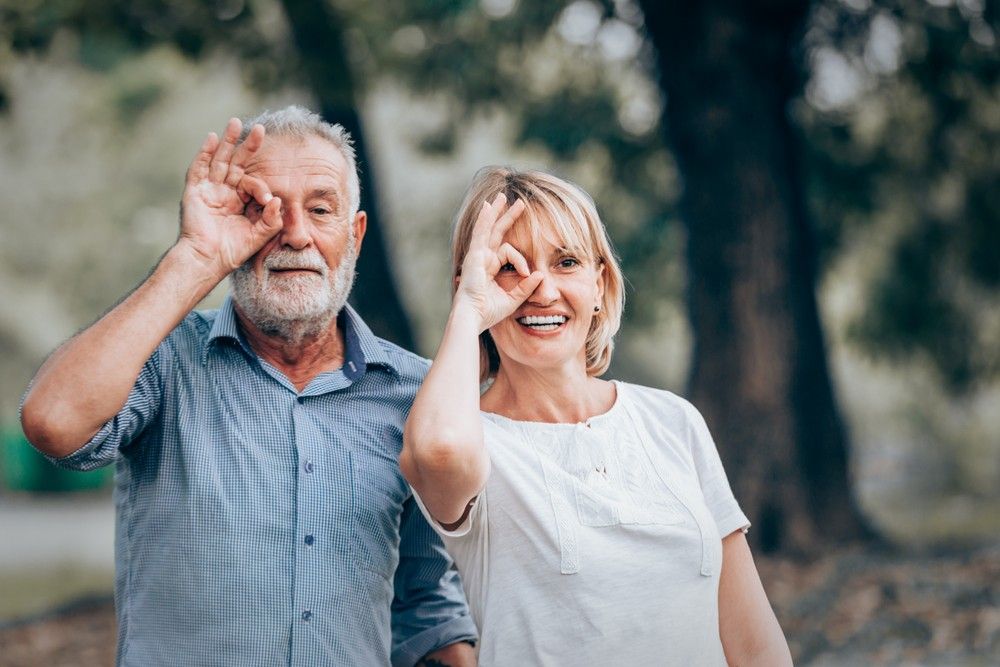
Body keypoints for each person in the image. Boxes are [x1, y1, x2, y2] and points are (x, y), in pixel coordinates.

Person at [20, 106, 476, 667]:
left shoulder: (414, 391)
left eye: (320, 209)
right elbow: (52, 422)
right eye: (262, 210)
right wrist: (196, 257)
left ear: (355, 234)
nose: (295, 233)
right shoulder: (163, 361)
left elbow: (426, 605)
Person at [399, 167, 793, 665]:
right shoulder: (474, 441)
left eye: (566, 262)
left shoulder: (673, 420)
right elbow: (436, 452)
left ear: (599, 281)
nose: (540, 291)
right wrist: (472, 308)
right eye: (508, 267)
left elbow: (755, 647)